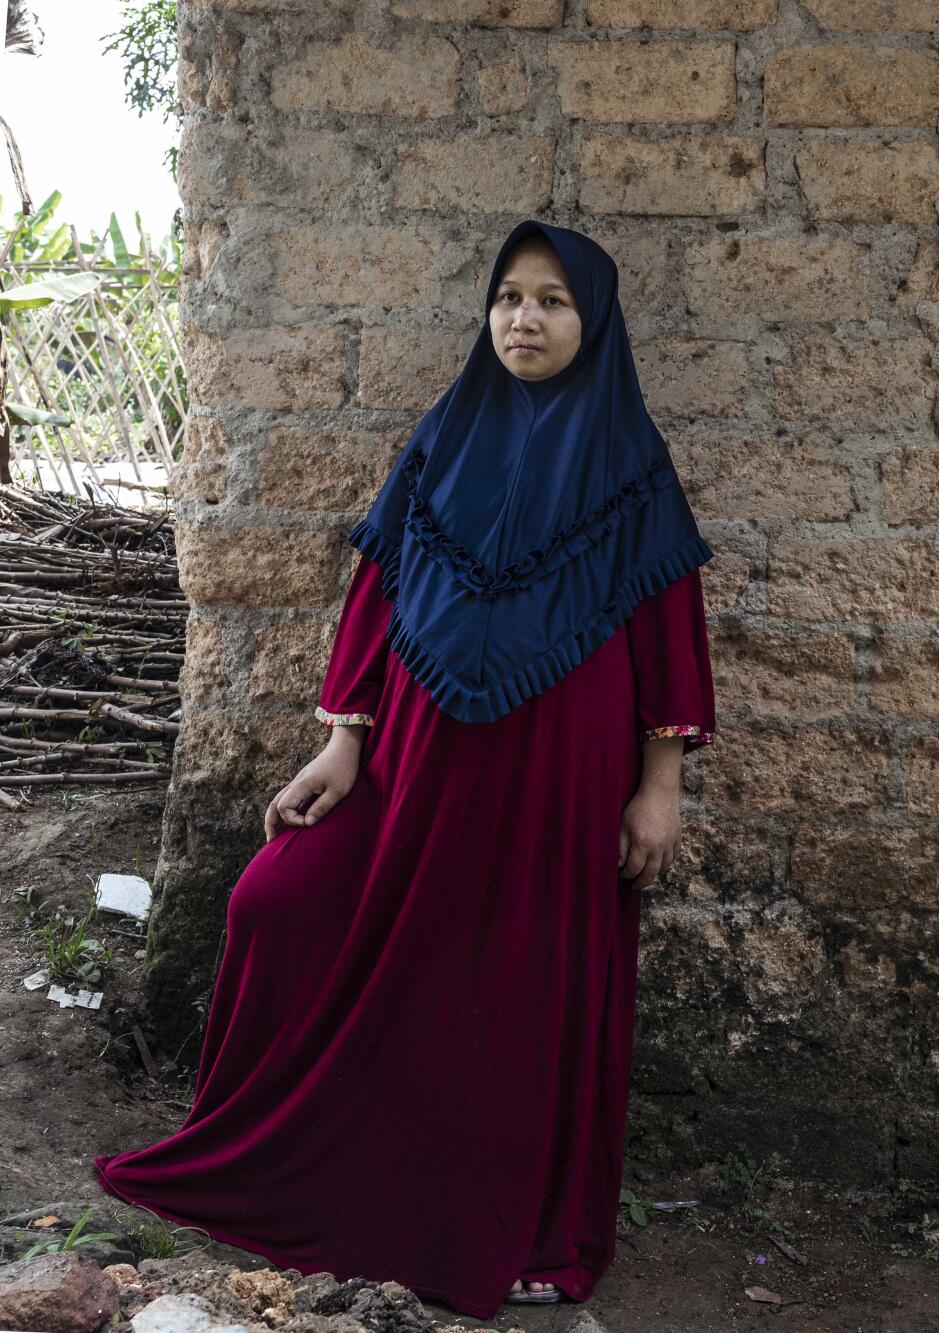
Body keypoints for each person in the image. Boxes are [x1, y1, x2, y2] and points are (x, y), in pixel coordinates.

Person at [94, 220, 716, 1319]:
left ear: (596, 320)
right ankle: (325, 1167)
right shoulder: (445, 436)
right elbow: (379, 600)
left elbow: (666, 628)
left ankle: (514, 1222)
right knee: (274, 901)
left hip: (557, 774)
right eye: (509, 297)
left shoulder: (630, 463)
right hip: (416, 765)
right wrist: (344, 740)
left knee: (520, 982)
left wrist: (657, 784)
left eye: (553, 301)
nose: (524, 318)